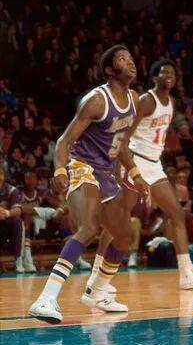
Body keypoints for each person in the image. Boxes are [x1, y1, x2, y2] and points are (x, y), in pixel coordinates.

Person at [28, 45, 150, 324]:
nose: (131, 62)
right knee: (90, 227)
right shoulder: (96, 101)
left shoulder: (133, 99)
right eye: (123, 59)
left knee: (125, 236)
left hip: (106, 173)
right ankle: (46, 298)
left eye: (131, 58)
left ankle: (97, 292)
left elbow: (120, 144)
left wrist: (136, 175)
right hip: (81, 167)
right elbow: (64, 141)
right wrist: (60, 170)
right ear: (109, 70)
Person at [86, 59, 193, 292]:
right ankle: (95, 275)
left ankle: (186, 273)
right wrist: (119, 168)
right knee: (120, 220)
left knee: (177, 213)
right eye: (163, 72)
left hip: (154, 165)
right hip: (135, 161)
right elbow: (123, 134)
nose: (169, 76)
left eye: (172, 73)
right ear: (155, 77)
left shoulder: (172, 102)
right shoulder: (146, 101)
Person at [0, 165, 25, 273]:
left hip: (6, 224)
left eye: (1, 174)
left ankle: (18, 260)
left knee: (18, 222)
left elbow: (18, 210)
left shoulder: (11, 190)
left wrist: (6, 213)